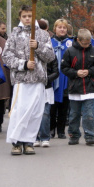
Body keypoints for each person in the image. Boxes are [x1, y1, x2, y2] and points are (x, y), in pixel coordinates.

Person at [2, 5, 55, 155]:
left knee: (35, 112)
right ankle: (16, 142)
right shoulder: (15, 34)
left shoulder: (43, 35)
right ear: (20, 17)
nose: (27, 19)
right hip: (21, 80)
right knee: (19, 111)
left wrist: (37, 46)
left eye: (30, 16)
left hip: (37, 79)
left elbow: (51, 56)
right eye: (24, 16)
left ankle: (29, 142)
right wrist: (23, 64)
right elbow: (6, 56)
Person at [61, 29, 94, 145]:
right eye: (84, 43)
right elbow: (64, 68)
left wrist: (89, 71)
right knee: (74, 114)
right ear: (78, 40)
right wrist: (76, 73)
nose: (87, 45)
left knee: (89, 114)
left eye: (89, 42)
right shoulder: (70, 51)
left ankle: (89, 135)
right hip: (75, 88)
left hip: (89, 87)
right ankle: (74, 135)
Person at [34, 19, 59, 148]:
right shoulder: (30, 52)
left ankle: (44, 137)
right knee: (33, 113)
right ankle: (34, 136)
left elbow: (56, 71)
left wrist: (46, 79)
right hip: (33, 86)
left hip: (46, 87)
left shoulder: (51, 53)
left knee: (45, 113)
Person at [50, 19, 73, 139]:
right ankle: (51, 128)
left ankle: (61, 130)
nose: (62, 29)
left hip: (66, 78)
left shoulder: (71, 43)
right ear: (55, 29)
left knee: (64, 106)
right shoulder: (49, 42)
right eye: (60, 27)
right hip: (53, 78)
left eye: (64, 27)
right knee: (52, 106)